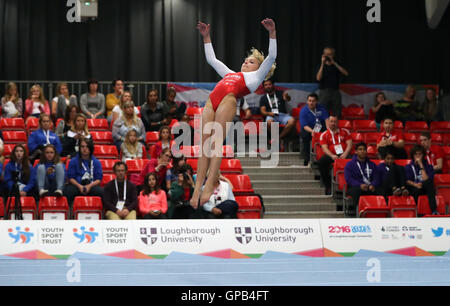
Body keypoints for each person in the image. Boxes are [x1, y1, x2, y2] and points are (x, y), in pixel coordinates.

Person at [194, 18, 276, 208]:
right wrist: (206, 37)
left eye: (252, 61)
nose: (246, 62)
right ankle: (198, 187)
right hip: (211, 102)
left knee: (215, 143)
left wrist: (272, 34)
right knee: (204, 145)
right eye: (246, 60)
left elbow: (271, 57)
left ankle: (210, 186)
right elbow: (211, 60)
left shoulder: (255, 78)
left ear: (260, 68)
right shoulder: (230, 73)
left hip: (228, 101)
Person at [318, 115, 352, 195]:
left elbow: (349, 144)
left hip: (344, 154)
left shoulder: (345, 131)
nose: (333, 123)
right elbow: (324, 148)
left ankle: (350, 187)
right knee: (321, 162)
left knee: (355, 161)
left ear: (338, 122)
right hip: (331, 155)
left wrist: (345, 154)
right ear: (328, 122)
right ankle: (328, 186)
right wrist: (332, 156)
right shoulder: (324, 134)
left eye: (335, 121)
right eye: (331, 121)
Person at [64, 138, 103, 207]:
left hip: (91, 185)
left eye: (87, 146)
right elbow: (70, 178)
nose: (84, 149)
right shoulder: (73, 161)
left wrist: (89, 186)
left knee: (102, 192)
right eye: (82, 146)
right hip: (76, 185)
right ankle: (70, 212)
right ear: (79, 148)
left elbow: (98, 179)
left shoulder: (96, 162)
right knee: (68, 191)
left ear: (90, 148)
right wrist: (79, 186)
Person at [259, 79, 295, 151]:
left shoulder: (280, 93)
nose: (268, 86)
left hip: (282, 115)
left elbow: (288, 99)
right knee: (269, 122)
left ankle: (278, 138)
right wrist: (269, 113)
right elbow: (263, 111)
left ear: (273, 85)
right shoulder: (263, 98)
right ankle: (278, 141)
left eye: (269, 84)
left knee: (292, 121)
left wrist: (287, 97)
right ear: (264, 87)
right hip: (271, 115)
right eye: (266, 85)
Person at [344, 142, 380, 213]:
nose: (362, 151)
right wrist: (359, 185)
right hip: (355, 187)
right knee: (356, 191)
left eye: (364, 149)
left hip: (369, 187)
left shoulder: (372, 164)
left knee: (381, 190)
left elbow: (376, 177)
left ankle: (377, 212)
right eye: (360, 149)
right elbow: (349, 179)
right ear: (356, 152)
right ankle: (359, 213)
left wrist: (373, 184)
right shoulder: (350, 165)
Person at [315, 47, 349, 118]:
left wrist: (334, 63)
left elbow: (346, 73)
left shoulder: (337, 64)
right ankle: (324, 128)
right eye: (326, 54)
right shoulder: (320, 65)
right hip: (324, 91)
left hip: (335, 91)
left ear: (333, 55)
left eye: (330, 54)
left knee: (337, 112)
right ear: (323, 55)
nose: (328, 56)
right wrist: (322, 63)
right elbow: (318, 78)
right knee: (322, 111)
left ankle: (336, 128)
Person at [405, 144, 438, 215]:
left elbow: (426, 179)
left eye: (420, 154)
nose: (418, 156)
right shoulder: (408, 167)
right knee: (417, 189)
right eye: (416, 154)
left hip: (425, 188)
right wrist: (416, 185)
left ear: (423, 155)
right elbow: (407, 181)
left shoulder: (428, 166)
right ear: (413, 155)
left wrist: (421, 165)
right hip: (414, 188)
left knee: (429, 183)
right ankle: (418, 214)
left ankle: (434, 210)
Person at [299, 93, 329, 166]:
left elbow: (327, 120)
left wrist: (328, 131)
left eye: (313, 101)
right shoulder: (303, 111)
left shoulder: (321, 108)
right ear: (307, 101)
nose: (311, 103)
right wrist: (312, 131)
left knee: (327, 136)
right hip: (308, 129)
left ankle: (322, 158)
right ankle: (306, 159)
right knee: (305, 136)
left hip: (320, 128)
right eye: (309, 101)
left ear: (316, 101)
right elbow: (304, 125)